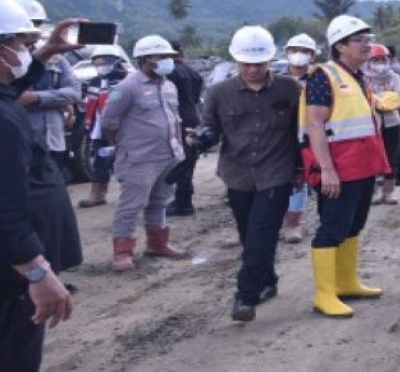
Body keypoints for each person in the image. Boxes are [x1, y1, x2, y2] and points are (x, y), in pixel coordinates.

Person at [192, 26, 302, 322]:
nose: (253, 70)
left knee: (261, 236)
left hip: (276, 172)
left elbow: (302, 131)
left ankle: (245, 296)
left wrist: (302, 168)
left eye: (259, 64)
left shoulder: (290, 89)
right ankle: (267, 280)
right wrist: (203, 137)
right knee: (248, 233)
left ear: (270, 61)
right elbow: (211, 127)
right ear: (235, 62)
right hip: (238, 174)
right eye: (246, 64)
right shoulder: (218, 93)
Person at [0, 0, 81, 372]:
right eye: (20, 44)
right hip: (12, 277)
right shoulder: (4, 121)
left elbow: (10, 90)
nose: (24, 51)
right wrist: (37, 272)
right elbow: (6, 210)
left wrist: (44, 54)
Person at [302, 15, 390, 318]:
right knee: (332, 228)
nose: (368, 45)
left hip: (362, 165)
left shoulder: (357, 76)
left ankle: (347, 282)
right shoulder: (322, 77)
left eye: (369, 39)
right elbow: (314, 123)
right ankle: (324, 294)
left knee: (354, 225)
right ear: (340, 46)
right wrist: (326, 169)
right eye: (360, 41)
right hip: (339, 167)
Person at [100, 35, 190, 271]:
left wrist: (178, 147)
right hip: (139, 158)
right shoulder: (127, 87)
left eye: (168, 57)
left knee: (160, 201)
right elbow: (109, 122)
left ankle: (158, 243)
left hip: (168, 155)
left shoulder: (169, 86)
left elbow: (175, 120)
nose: (166, 61)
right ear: (144, 59)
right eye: (160, 57)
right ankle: (122, 251)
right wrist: (123, 146)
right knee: (131, 205)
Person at [15, 0, 80, 182]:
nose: (33, 30)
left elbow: (73, 92)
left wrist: (36, 98)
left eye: (37, 24)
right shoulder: (8, 59)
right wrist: (57, 99)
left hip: (53, 140)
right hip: (19, 142)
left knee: (52, 195)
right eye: (29, 23)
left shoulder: (56, 57)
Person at [280, 33, 319, 243]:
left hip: (305, 136)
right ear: (286, 53)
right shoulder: (275, 78)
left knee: (299, 179)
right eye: (294, 50)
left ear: (312, 55)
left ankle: (293, 224)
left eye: (304, 51)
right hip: (277, 136)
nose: (298, 55)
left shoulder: (318, 79)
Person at [79, 45, 129, 208]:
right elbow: (90, 105)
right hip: (100, 129)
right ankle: (97, 194)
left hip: (121, 130)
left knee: (124, 163)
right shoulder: (94, 82)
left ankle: (130, 195)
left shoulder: (125, 81)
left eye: (104, 62)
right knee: (100, 161)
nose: (100, 66)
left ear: (116, 62)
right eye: (97, 63)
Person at [165, 42, 205, 217]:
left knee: (180, 160)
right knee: (189, 159)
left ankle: (182, 202)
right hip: (192, 117)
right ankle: (184, 198)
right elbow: (196, 98)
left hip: (176, 119)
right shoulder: (194, 73)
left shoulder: (168, 73)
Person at [366, 44, 400, 205]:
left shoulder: (394, 77)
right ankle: (376, 192)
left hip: (392, 122)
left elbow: (396, 98)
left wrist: (376, 100)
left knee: (392, 157)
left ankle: (389, 192)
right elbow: (364, 99)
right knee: (373, 157)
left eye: (383, 59)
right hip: (371, 124)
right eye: (376, 60)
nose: (380, 63)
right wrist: (383, 99)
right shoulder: (363, 78)